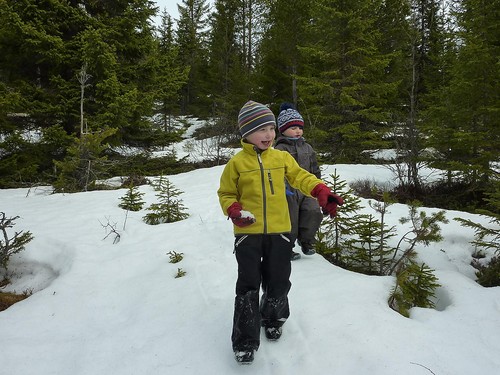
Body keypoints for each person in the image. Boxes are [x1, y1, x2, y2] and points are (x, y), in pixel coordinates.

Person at [217, 100, 344, 364]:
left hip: (280, 233)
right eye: (261, 129)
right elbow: (226, 193)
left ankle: (273, 317)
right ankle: (245, 340)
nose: (269, 134)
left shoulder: (282, 157)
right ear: (246, 133)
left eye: (271, 128)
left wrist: (321, 190)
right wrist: (234, 210)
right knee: (248, 285)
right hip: (247, 234)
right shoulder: (237, 164)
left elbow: (302, 177)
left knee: (278, 280)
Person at [274, 103, 324, 261]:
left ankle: (307, 241)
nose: (298, 131)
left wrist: (318, 186)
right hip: (288, 191)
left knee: (313, 211)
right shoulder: (280, 149)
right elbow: (277, 170)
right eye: (293, 127)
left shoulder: (307, 147)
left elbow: (314, 168)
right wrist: (281, 186)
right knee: (290, 218)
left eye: (300, 128)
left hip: (307, 188)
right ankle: (286, 247)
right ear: (282, 129)